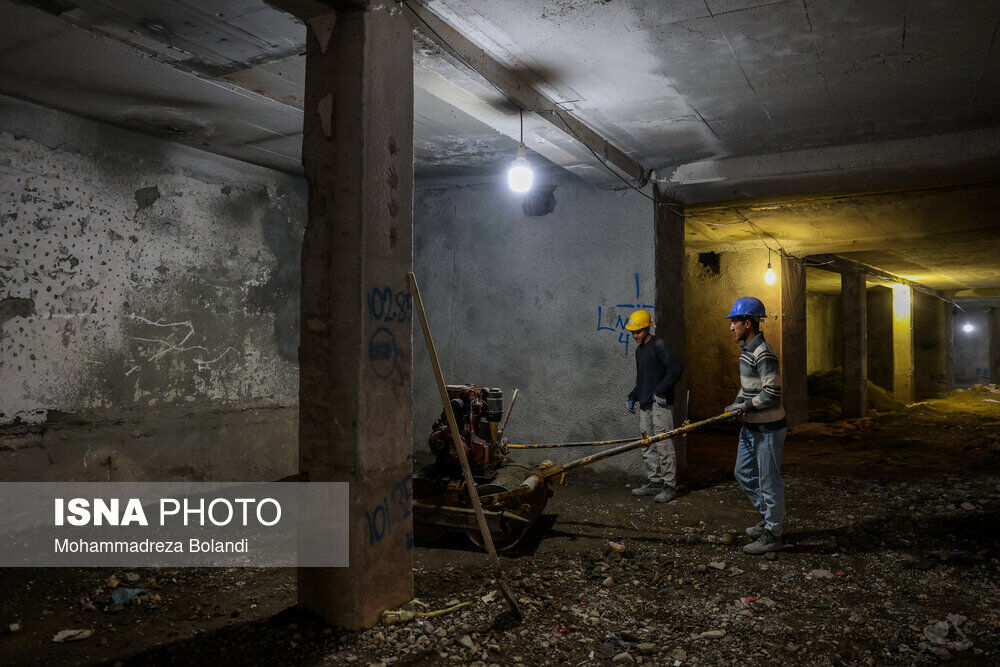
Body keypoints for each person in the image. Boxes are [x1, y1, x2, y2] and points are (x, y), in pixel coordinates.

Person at [723, 296, 786, 555]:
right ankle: (771, 520)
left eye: (734, 322)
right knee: (743, 473)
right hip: (751, 427)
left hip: (768, 429)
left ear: (748, 323)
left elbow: (771, 392)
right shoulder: (747, 351)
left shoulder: (764, 352)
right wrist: (737, 403)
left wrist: (745, 407)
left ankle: (773, 534)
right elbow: (749, 387)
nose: (731, 327)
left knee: (768, 482)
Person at [624, 309, 683, 503]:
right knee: (647, 445)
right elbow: (641, 379)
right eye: (633, 332)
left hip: (660, 404)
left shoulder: (659, 345)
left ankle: (670, 486)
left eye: (638, 331)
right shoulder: (639, 351)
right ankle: (655, 482)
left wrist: (660, 390)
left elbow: (675, 370)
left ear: (648, 328)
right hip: (645, 404)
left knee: (663, 445)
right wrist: (633, 396)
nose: (635, 335)